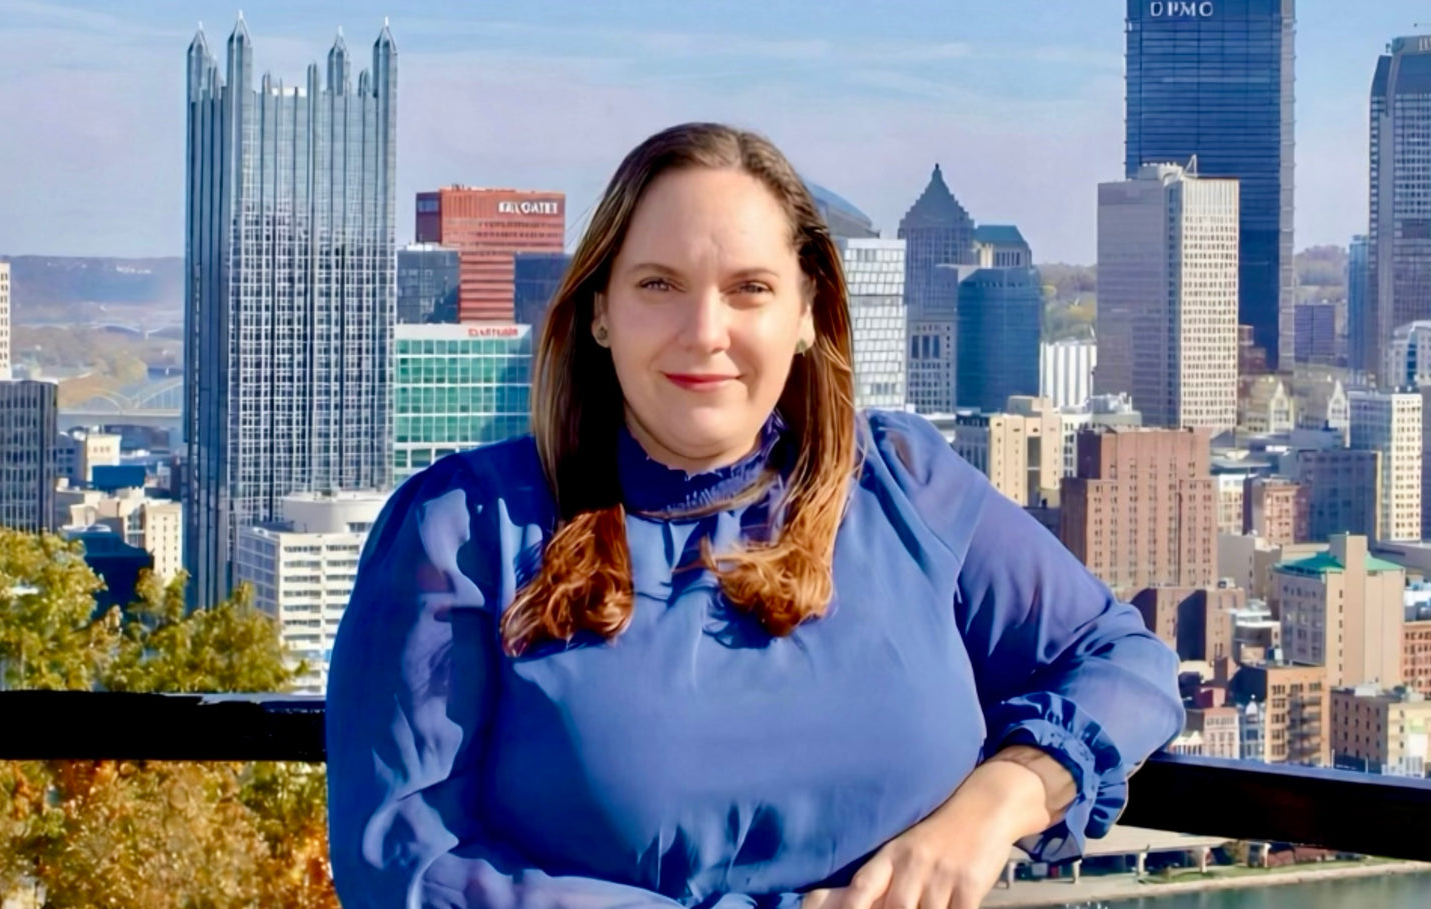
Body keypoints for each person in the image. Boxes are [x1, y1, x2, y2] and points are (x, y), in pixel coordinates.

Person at [327, 122, 1183, 909]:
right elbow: (404, 861)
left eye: (750, 289)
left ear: (808, 313)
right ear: (598, 311)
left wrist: (999, 801)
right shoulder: (465, 529)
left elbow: (1123, 659)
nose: (705, 331)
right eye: (659, 284)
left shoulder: (900, 484)